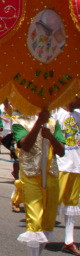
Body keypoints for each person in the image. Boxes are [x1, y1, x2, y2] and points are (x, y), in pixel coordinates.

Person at [13, 109, 65, 256]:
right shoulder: (19, 121)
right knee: (35, 222)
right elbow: (25, 145)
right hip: (31, 175)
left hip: (51, 175)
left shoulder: (53, 122)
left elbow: (61, 152)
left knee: (47, 222)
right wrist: (38, 123)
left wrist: (51, 137)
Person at [53, 98, 80, 255]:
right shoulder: (56, 114)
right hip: (60, 165)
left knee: (72, 204)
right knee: (52, 202)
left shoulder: (78, 115)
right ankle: (40, 236)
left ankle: (69, 241)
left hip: (76, 166)